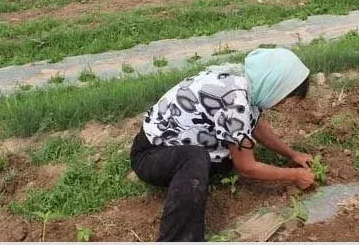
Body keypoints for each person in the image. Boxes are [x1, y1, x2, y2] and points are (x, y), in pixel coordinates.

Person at [129, 48, 316, 241]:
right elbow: (247, 168)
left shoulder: (244, 84)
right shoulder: (236, 102)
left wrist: (292, 155)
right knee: (196, 158)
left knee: (225, 158)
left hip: (174, 147)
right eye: (285, 97)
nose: (282, 103)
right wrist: (294, 175)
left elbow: (254, 125)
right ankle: (179, 238)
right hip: (151, 156)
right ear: (273, 86)